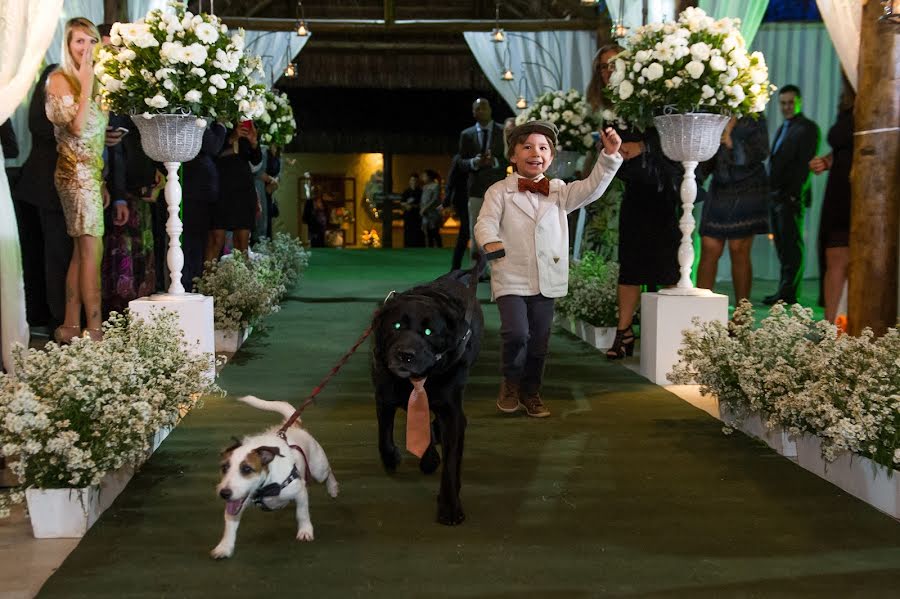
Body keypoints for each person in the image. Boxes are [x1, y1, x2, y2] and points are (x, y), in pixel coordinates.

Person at [475, 121, 622, 418]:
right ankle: (510, 383)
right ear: (513, 155)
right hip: (510, 275)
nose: (535, 153)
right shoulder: (498, 191)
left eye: (543, 148)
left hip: (547, 279)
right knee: (516, 334)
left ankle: (531, 392)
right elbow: (485, 222)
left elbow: (592, 188)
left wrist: (608, 157)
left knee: (539, 340)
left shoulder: (559, 191)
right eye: (527, 146)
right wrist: (490, 242)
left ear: (551, 157)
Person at [587, 44, 681, 360]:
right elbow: (613, 151)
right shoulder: (605, 109)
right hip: (634, 190)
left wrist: (642, 144)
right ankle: (623, 334)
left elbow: (671, 133)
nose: (608, 70)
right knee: (631, 266)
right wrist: (621, 151)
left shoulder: (651, 96)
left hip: (665, 189)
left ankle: (661, 337)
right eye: (603, 66)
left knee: (666, 266)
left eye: (613, 64)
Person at [45, 18, 108, 342]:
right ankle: (93, 329)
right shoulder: (61, 79)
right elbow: (77, 128)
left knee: (81, 252)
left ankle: (70, 325)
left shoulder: (96, 82)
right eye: (78, 42)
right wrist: (85, 84)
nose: (85, 49)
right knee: (90, 251)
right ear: (68, 46)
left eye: (91, 41)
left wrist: (104, 181)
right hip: (74, 176)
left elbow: (92, 136)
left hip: (92, 176)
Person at [696, 116, 770, 303]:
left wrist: (731, 141)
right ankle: (700, 312)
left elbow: (763, 150)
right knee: (709, 246)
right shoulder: (716, 108)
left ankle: (741, 317)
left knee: (738, 249)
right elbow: (707, 155)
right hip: (720, 186)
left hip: (748, 186)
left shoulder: (754, 114)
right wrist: (694, 178)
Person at [765, 84, 819, 305]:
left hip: (790, 197)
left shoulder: (807, 128)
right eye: (783, 103)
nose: (786, 107)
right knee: (782, 245)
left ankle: (788, 294)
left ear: (799, 102)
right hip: (776, 197)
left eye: (790, 102)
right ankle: (784, 290)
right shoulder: (783, 127)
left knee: (792, 247)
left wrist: (794, 195)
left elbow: (803, 167)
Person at [810, 80, 855, 323]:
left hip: (861, 190)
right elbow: (843, 149)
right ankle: (831, 329)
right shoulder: (847, 103)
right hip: (837, 189)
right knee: (833, 256)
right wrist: (827, 161)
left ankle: (845, 327)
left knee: (847, 259)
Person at [457, 98, 508, 269]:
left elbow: (510, 160)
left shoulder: (503, 132)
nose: (481, 111)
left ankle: (498, 266)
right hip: (476, 190)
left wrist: (494, 162)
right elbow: (460, 163)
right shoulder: (467, 134)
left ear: (490, 110)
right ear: (473, 112)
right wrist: (474, 162)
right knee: (476, 229)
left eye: (484, 107)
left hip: (498, 190)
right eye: (477, 108)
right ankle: (478, 268)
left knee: (500, 228)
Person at [206, 121, 262, 262]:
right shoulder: (216, 125)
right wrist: (232, 138)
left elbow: (256, 160)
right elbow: (212, 152)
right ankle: (206, 282)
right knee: (216, 240)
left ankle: (240, 282)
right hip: (221, 187)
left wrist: (254, 142)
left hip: (244, 188)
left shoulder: (246, 126)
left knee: (242, 241)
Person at [445, 155, 471, 270]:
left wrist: (448, 197)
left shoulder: (459, 158)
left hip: (464, 198)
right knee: (465, 232)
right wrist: (447, 197)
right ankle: (456, 266)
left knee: (465, 233)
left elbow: (451, 179)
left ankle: (456, 266)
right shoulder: (461, 159)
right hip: (464, 199)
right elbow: (451, 179)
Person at [419, 169, 443, 248]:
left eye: (424, 176)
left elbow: (435, 199)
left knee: (434, 232)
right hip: (426, 213)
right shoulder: (424, 186)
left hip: (433, 212)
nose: (423, 177)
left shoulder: (435, 186)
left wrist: (425, 208)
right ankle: (429, 248)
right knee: (427, 232)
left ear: (429, 177)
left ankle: (439, 248)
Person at [400, 173, 424, 248]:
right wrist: (406, 205)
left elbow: (422, 203)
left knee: (418, 232)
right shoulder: (406, 191)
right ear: (409, 181)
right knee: (408, 232)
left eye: (415, 180)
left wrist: (413, 206)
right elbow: (402, 202)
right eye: (412, 180)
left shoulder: (420, 192)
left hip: (417, 216)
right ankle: (407, 246)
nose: (413, 182)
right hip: (408, 215)